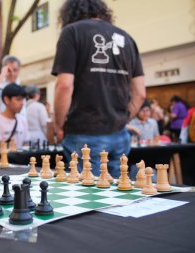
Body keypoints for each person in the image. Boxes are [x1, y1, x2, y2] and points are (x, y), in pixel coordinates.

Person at [52, 0, 146, 177]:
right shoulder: (127, 38)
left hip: (83, 132)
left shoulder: (72, 32)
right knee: (119, 196)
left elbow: (64, 85)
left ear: (70, 13)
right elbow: (140, 93)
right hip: (120, 134)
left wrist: (58, 125)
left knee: (89, 198)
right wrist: (123, 120)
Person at [0, 83, 29, 148]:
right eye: (18, 99)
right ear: (6, 100)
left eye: (23, 99)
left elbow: (26, 145)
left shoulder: (23, 120)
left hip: (21, 157)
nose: (22, 103)